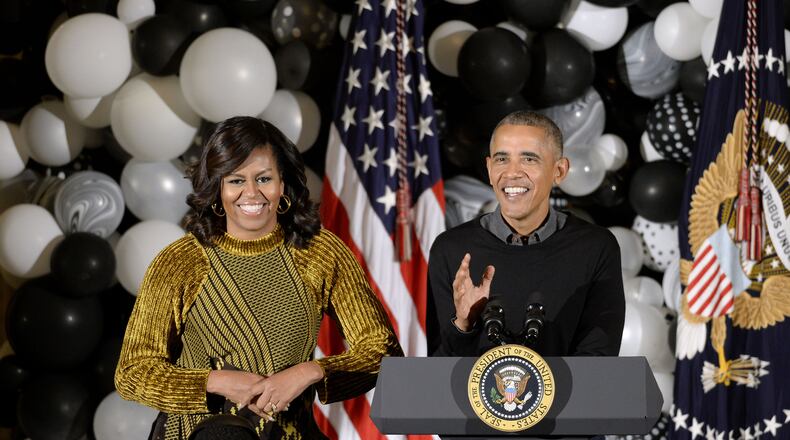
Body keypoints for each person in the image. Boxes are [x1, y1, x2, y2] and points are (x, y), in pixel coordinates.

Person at [115, 116, 402, 439]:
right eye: (236, 180)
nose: (251, 193)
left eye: (263, 178)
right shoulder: (181, 261)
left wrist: (310, 372)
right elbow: (133, 372)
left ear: (283, 184)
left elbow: (383, 350)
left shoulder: (320, 252)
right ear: (218, 189)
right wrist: (215, 381)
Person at [427, 111, 625, 357]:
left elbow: (599, 361)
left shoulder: (595, 248)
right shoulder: (451, 249)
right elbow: (436, 373)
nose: (512, 172)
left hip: (568, 396)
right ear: (489, 169)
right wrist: (464, 326)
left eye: (529, 159)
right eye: (502, 159)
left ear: (559, 171)